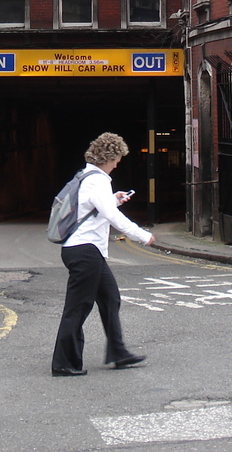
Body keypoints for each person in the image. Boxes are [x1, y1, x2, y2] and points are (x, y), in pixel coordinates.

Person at [51, 132, 154, 377]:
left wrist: (114, 200)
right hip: (84, 251)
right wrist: (141, 235)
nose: (118, 164)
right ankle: (64, 363)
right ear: (110, 157)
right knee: (78, 308)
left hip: (86, 250)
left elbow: (95, 208)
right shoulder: (98, 180)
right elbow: (111, 217)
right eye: (118, 158)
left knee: (110, 298)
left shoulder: (88, 177)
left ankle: (117, 352)